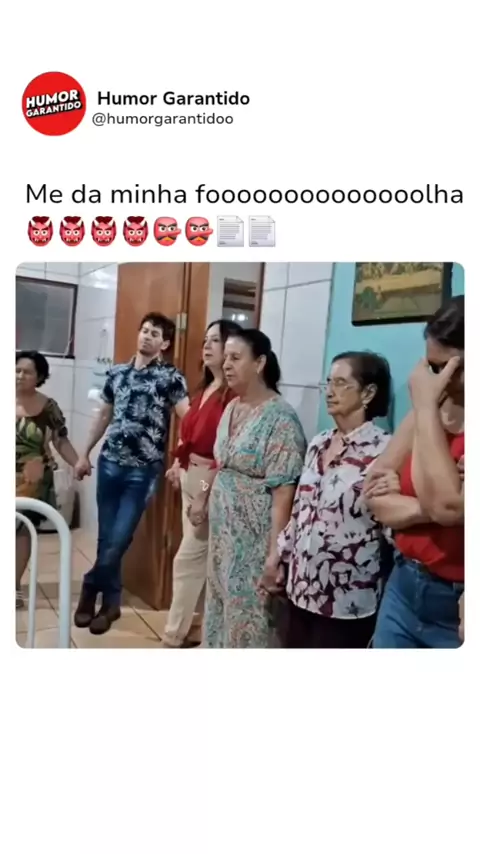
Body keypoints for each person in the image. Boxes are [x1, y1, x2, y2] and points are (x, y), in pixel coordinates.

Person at [73, 313, 189, 635]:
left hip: (143, 470)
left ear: (165, 343)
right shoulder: (117, 373)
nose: (147, 336)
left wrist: (181, 459)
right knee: (106, 538)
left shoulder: (171, 377)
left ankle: (89, 586)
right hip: (109, 464)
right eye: (145, 330)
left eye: (155, 334)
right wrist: (84, 453)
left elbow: (188, 421)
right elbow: (104, 415)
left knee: (120, 538)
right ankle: (111, 604)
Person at [192, 329, 307, 648]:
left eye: (235, 358)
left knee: (250, 622)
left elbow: (284, 493)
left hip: (254, 544)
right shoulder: (231, 408)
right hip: (223, 541)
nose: (226, 365)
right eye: (225, 358)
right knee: (220, 612)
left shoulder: (280, 419)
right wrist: (201, 494)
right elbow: (217, 465)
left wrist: (275, 554)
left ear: (259, 363)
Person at [272, 351, 392, 648]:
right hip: (301, 588)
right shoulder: (319, 442)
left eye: (340, 383)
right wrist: (278, 556)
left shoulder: (383, 450)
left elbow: (389, 526)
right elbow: (300, 511)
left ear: (368, 393)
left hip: (347, 598)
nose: (329, 392)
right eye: (328, 382)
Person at [364, 296, 464, 648]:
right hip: (405, 585)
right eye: (433, 368)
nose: (440, 380)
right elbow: (373, 493)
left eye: (450, 368)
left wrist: (424, 407)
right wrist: (429, 508)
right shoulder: (434, 406)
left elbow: (449, 507)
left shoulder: (427, 407)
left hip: (457, 604)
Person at [160, 319, 242, 648]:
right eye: (206, 340)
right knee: (201, 560)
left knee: (187, 559)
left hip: (209, 482)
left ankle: (174, 634)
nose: (207, 346)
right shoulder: (203, 389)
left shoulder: (231, 397)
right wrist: (178, 465)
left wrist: (204, 494)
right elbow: (188, 436)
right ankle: (204, 626)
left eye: (215, 340)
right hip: (190, 476)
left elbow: (222, 457)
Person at [16, 351, 79, 609]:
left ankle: (12, 586)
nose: (20, 376)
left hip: (32, 479)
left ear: (39, 377)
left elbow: (60, 440)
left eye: (27, 372)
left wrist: (78, 463)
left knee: (21, 530)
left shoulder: (48, 407)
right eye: (17, 370)